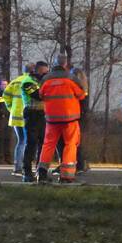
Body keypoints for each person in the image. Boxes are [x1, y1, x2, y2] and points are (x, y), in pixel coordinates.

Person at [34, 54, 86, 183]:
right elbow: (81, 95)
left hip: (51, 119)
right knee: (70, 145)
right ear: (65, 64)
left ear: (55, 64)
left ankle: (41, 173)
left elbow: (40, 95)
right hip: (70, 119)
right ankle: (66, 176)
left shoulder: (46, 79)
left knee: (48, 145)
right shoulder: (71, 78)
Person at [19, 61, 46, 183]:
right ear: (37, 70)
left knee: (42, 144)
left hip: (42, 115)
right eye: (44, 72)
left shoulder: (40, 82)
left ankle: (40, 171)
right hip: (32, 114)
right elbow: (38, 95)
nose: (46, 74)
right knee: (31, 144)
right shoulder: (28, 82)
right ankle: (27, 172)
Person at [3, 65, 34, 176]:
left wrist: (10, 108)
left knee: (21, 142)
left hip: (15, 116)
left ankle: (17, 168)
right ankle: (23, 167)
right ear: (32, 71)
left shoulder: (15, 81)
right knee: (26, 142)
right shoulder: (31, 81)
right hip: (27, 116)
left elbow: (5, 95)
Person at [0, 82, 12, 165]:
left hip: (8, 119)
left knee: (7, 139)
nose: (5, 86)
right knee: (0, 139)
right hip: (0, 119)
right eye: (3, 84)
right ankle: (0, 158)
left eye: (6, 84)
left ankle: (7, 158)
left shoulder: (9, 94)